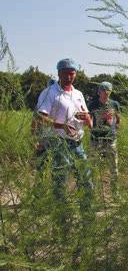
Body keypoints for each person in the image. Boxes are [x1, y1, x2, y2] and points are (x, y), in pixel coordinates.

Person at [33, 58, 94, 226]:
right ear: (59, 73)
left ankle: (88, 221)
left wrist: (87, 118)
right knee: (60, 183)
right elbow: (40, 117)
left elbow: (89, 123)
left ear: (76, 74)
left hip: (77, 144)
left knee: (86, 181)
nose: (69, 76)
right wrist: (60, 125)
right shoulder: (50, 92)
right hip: (58, 142)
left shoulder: (79, 94)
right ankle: (62, 225)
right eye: (65, 73)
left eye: (72, 73)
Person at [88, 81, 120, 192]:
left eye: (108, 90)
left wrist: (115, 128)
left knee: (113, 168)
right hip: (96, 139)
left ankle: (115, 193)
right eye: (103, 90)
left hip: (110, 139)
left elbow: (118, 119)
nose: (106, 92)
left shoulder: (114, 104)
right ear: (99, 91)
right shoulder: (92, 104)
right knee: (94, 167)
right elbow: (89, 120)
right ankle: (93, 192)